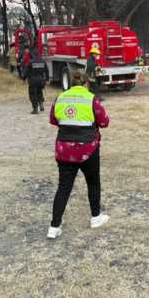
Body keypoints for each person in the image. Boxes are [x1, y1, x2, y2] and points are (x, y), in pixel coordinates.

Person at [47, 72, 110, 239]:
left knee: (63, 187)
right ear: (85, 84)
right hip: (88, 149)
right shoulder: (91, 99)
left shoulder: (60, 98)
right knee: (93, 182)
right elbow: (104, 122)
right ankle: (96, 217)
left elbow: (53, 119)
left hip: (64, 150)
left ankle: (54, 226)